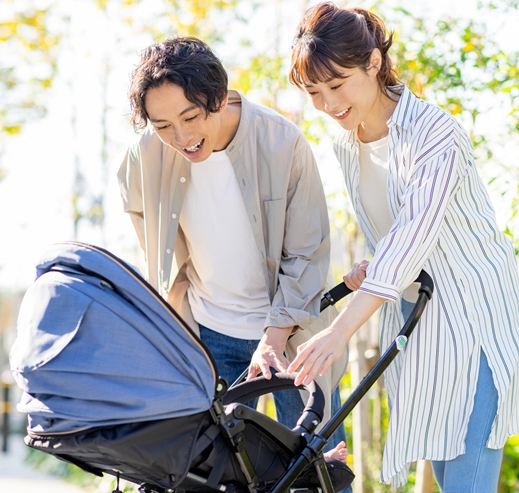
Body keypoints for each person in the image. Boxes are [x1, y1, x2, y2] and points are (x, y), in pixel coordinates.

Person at [286, 3, 519, 491]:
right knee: (444, 476)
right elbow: (396, 239)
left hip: (473, 324)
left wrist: (339, 334)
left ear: (373, 63)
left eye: (337, 85)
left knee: (466, 481)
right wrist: (369, 268)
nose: (328, 104)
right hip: (421, 333)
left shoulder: (436, 134)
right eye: (314, 91)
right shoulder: (349, 145)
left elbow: (415, 233)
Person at [117, 36, 348, 462]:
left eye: (190, 116)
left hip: (291, 339)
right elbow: (152, 242)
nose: (181, 136)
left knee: (314, 472)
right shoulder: (144, 156)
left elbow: (307, 254)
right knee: (210, 473)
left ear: (219, 98)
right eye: (163, 125)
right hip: (210, 333)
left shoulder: (283, 144)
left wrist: (274, 338)